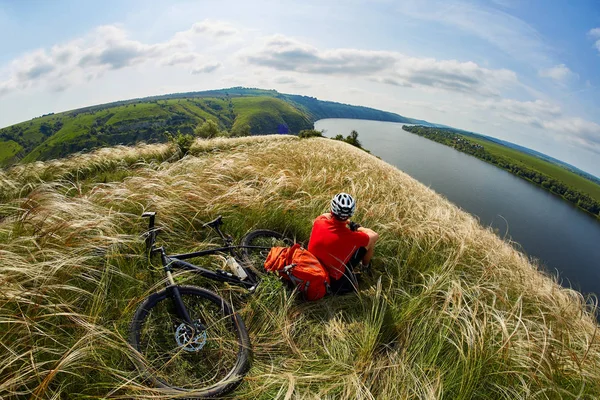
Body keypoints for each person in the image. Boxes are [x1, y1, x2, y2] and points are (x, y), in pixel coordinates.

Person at [308, 193, 379, 294]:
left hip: (312, 265)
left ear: (332, 209)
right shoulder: (352, 237)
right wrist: (355, 226)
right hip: (334, 282)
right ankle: (365, 269)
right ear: (350, 214)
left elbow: (326, 215)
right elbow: (374, 235)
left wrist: (344, 220)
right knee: (369, 243)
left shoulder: (319, 222)